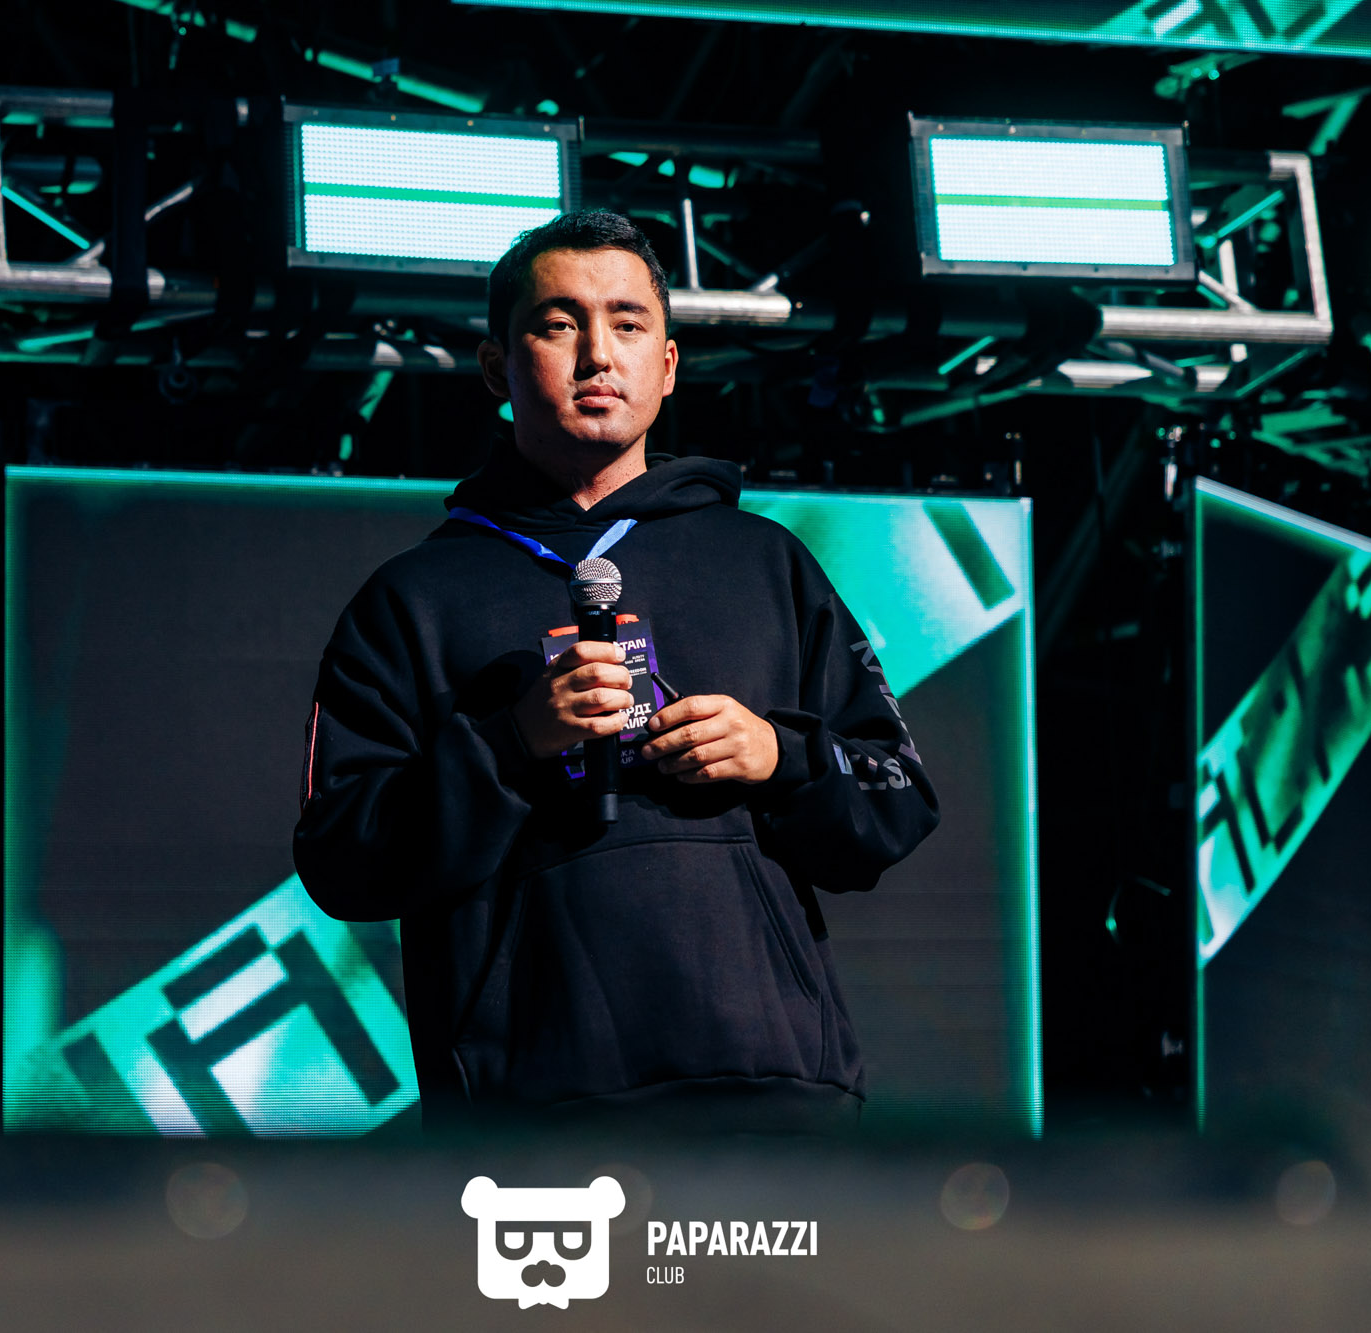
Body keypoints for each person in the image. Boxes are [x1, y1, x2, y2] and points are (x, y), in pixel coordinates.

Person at [293, 210, 940, 1134]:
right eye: (559, 324)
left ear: (667, 366)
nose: (599, 353)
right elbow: (341, 859)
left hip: (773, 1097)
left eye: (628, 323)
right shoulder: (410, 600)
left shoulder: (766, 562)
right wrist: (510, 744)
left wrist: (779, 755)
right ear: (496, 368)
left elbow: (899, 798)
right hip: (532, 1119)